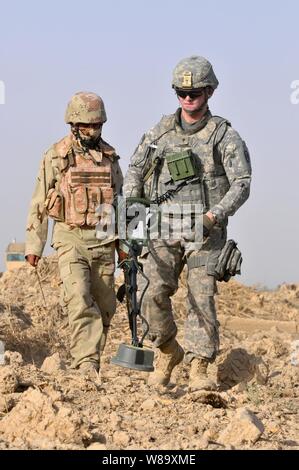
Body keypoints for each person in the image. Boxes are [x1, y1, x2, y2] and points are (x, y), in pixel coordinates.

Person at [123, 56, 251, 390]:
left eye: (195, 91)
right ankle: (168, 351)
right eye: (182, 91)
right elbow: (134, 172)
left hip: (205, 231)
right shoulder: (160, 132)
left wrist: (214, 216)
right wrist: (134, 223)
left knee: (201, 297)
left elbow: (242, 183)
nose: (188, 97)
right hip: (163, 228)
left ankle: (199, 368)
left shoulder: (223, 135)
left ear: (209, 91)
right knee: (146, 294)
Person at [25, 92, 123, 375]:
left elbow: (122, 202)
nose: (92, 131)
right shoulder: (56, 155)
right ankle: (86, 363)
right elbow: (39, 201)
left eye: (97, 125)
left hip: (104, 240)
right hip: (70, 238)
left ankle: (91, 356)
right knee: (79, 296)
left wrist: (124, 245)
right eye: (86, 126)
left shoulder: (109, 157)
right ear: (74, 125)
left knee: (105, 307)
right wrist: (35, 245)